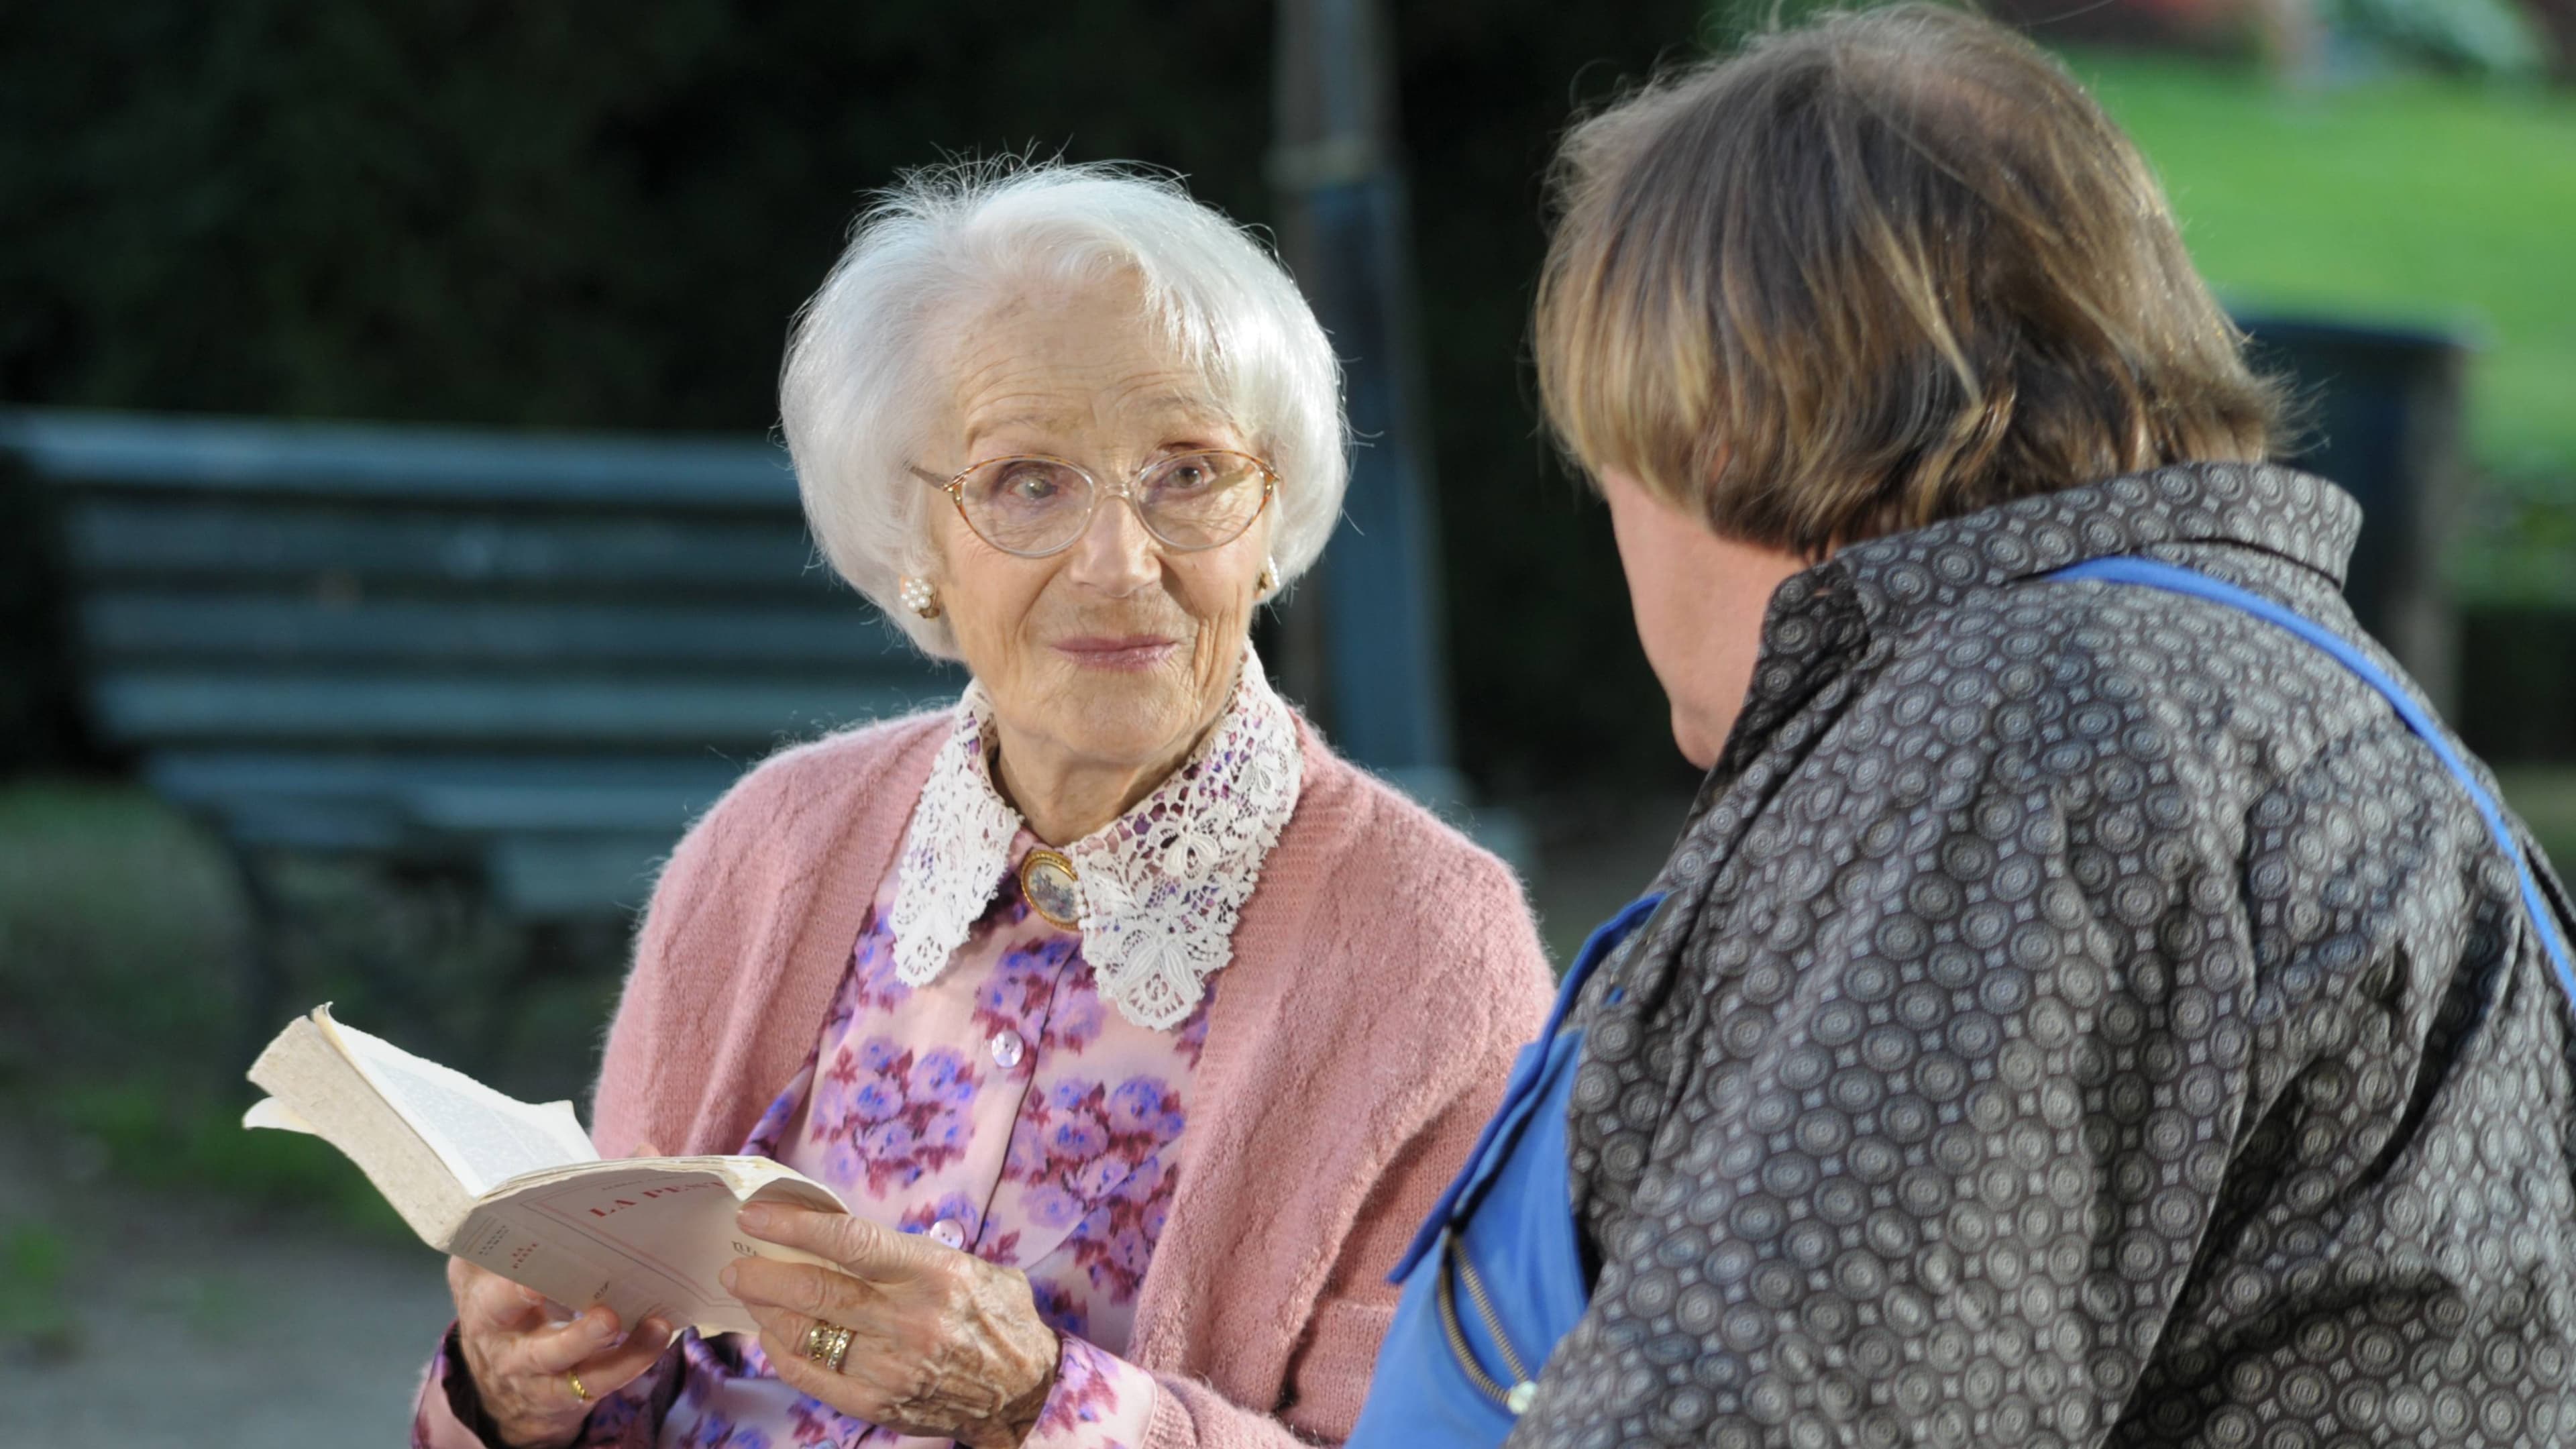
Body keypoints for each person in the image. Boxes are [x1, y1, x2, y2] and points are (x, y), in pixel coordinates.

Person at [1350, 7, 2576, 1447]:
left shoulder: (2048, 736)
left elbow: (1756, 1419)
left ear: (1720, 427)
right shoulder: (2231, 694)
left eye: (1612, 467)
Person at [410, 161, 1554, 1449]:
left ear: (1270, 507)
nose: (1120, 564)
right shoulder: (771, 848)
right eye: (1027, 483)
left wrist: (1038, 1404)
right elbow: (614, 1377)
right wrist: (514, 1391)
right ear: (915, 545)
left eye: (1187, 472)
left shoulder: (1428, 943)